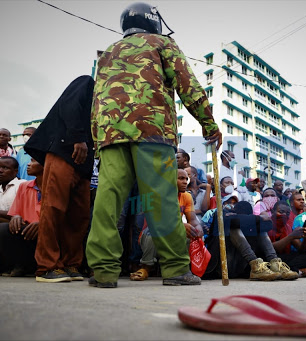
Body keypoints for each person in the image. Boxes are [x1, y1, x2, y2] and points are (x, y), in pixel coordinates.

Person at [87, 2, 222, 288]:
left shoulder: (109, 51)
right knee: (160, 200)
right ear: (153, 22)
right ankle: (175, 269)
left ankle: (103, 271)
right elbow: (188, 84)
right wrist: (208, 124)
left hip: (111, 133)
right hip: (153, 130)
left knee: (107, 200)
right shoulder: (162, 43)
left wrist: (98, 139)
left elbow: (96, 98)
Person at [25, 75, 95, 283]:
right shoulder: (87, 82)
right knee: (54, 208)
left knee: (79, 216)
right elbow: (69, 105)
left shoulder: (111, 98)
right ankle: (47, 267)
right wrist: (77, 137)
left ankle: (71, 263)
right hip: (66, 150)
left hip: (84, 161)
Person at [131, 169, 204, 281]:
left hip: (173, 234)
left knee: (191, 234)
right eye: (180, 178)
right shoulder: (157, 195)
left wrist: (198, 229)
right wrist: (180, 226)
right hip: (153, 233)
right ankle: (146, 267)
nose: (185, 182)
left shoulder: (186, 196)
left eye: (186, 179)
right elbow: (155, 221)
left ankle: (182, 269)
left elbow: (193, 219)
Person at [0, 158, 44, 277]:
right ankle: (20, 265)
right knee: (1, 229)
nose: (28, 164)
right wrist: (16, 215)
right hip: (27, 230)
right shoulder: (24, 186)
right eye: (29, 160)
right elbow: (16, 210)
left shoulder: (54, 186)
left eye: (34, 161)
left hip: (48, 230)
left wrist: (42, 223)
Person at [268, 201, 306, 277]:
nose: (284, 215)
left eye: (287, 213)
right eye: (281, 212)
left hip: (283, 258)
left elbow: (302, 249)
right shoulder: (267, 224)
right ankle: (298, 272)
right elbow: (270, 249)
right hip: (269, 258)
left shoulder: (287, 227)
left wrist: (305, 238)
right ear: (272, 212)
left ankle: (288, 270)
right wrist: (291, 236)